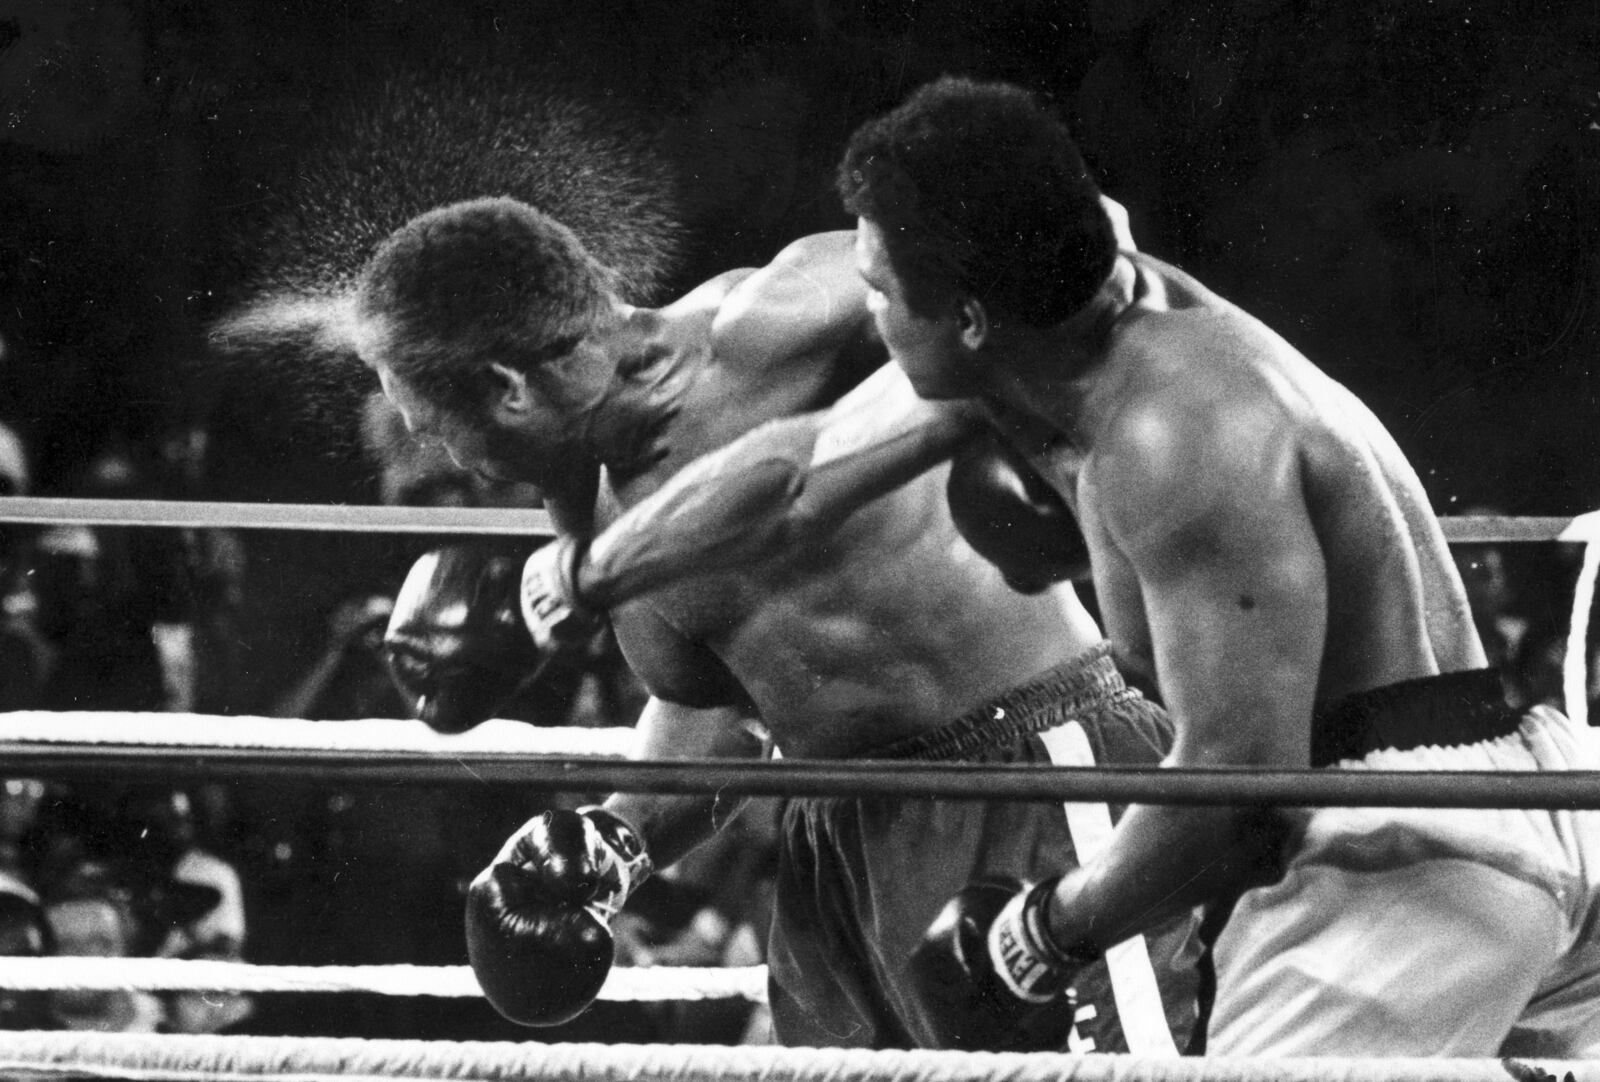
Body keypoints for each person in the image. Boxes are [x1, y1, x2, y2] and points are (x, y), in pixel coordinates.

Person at [524, 76, 1600, 1057]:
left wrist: (1045, 930)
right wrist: (583, 574)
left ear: (967, 319)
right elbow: (798, 475)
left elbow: (1238, 781)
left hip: (1407, 839)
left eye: (882, 291)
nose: (867, 315)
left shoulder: (1171, 430)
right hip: (1498, 795)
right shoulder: (1059, 327)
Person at [352, 194, 1201, 1051]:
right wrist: (614, 841)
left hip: (1027, 774)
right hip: (834, 839)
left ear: (507, 388)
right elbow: (725, 710)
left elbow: (1076, 231)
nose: (457, 462)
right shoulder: (587, 513)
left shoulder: (765, 326)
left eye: (442, 430)